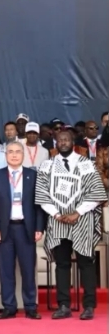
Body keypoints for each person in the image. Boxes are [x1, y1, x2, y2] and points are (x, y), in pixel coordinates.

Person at [35, 130, 106, 320]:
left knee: (86, 263)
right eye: (60, 140)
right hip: (58, 221)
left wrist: (77, 212)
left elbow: (96, 192)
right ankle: (64, 305)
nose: (63, 142)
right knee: (62, 264)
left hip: (82, 219)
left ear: (73, 141)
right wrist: (57, 214)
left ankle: (89, 306)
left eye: (67, 139)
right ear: (55, 143)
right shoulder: (47, 165)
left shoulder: (86, 164)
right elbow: (41, 194)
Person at [0, 142, 44, 319]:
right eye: (10, 152)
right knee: (6, 271)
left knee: (28, 270)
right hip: (5, 229)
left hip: (26, 229)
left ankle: (30, 306)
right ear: (5, 155)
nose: (14, 155)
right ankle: (9, 306)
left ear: (23, 155)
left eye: (17, 152)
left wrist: (39, 227)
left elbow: (38, 205)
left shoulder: (32, 175)